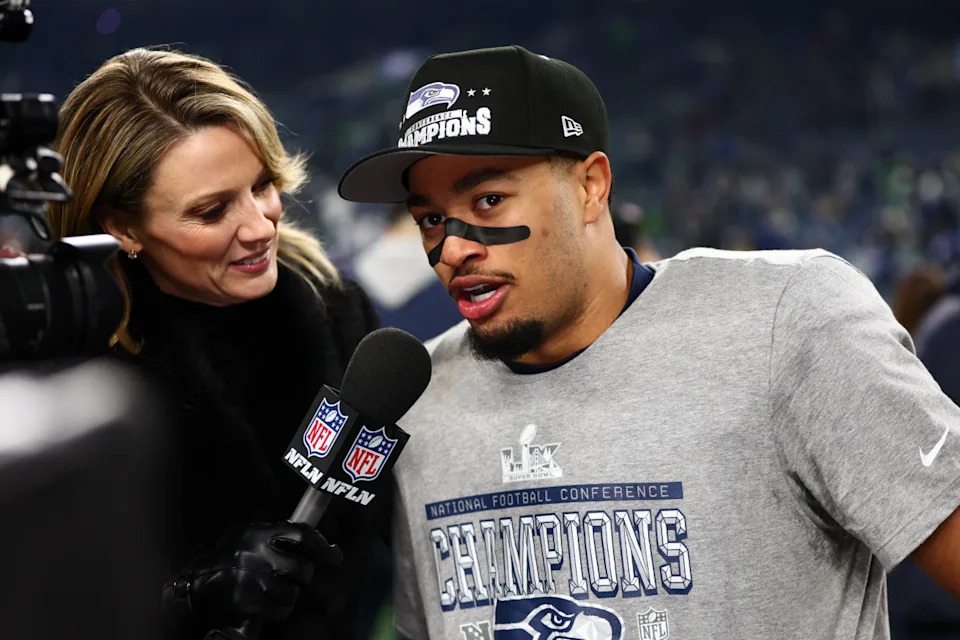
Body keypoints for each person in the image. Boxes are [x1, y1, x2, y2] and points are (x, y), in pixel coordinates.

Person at [337, 45, 960, 639]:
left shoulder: (786, 319)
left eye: (490, 199)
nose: (451, 247)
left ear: (591, 186)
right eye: (430, 219)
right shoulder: (420, 398)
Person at [47, 48, 382, 639]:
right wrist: (198, 598)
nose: (259, 226)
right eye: (211, 211)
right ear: (121, 228)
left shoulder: (336, 307)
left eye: (262, 186)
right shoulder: (65, 374)